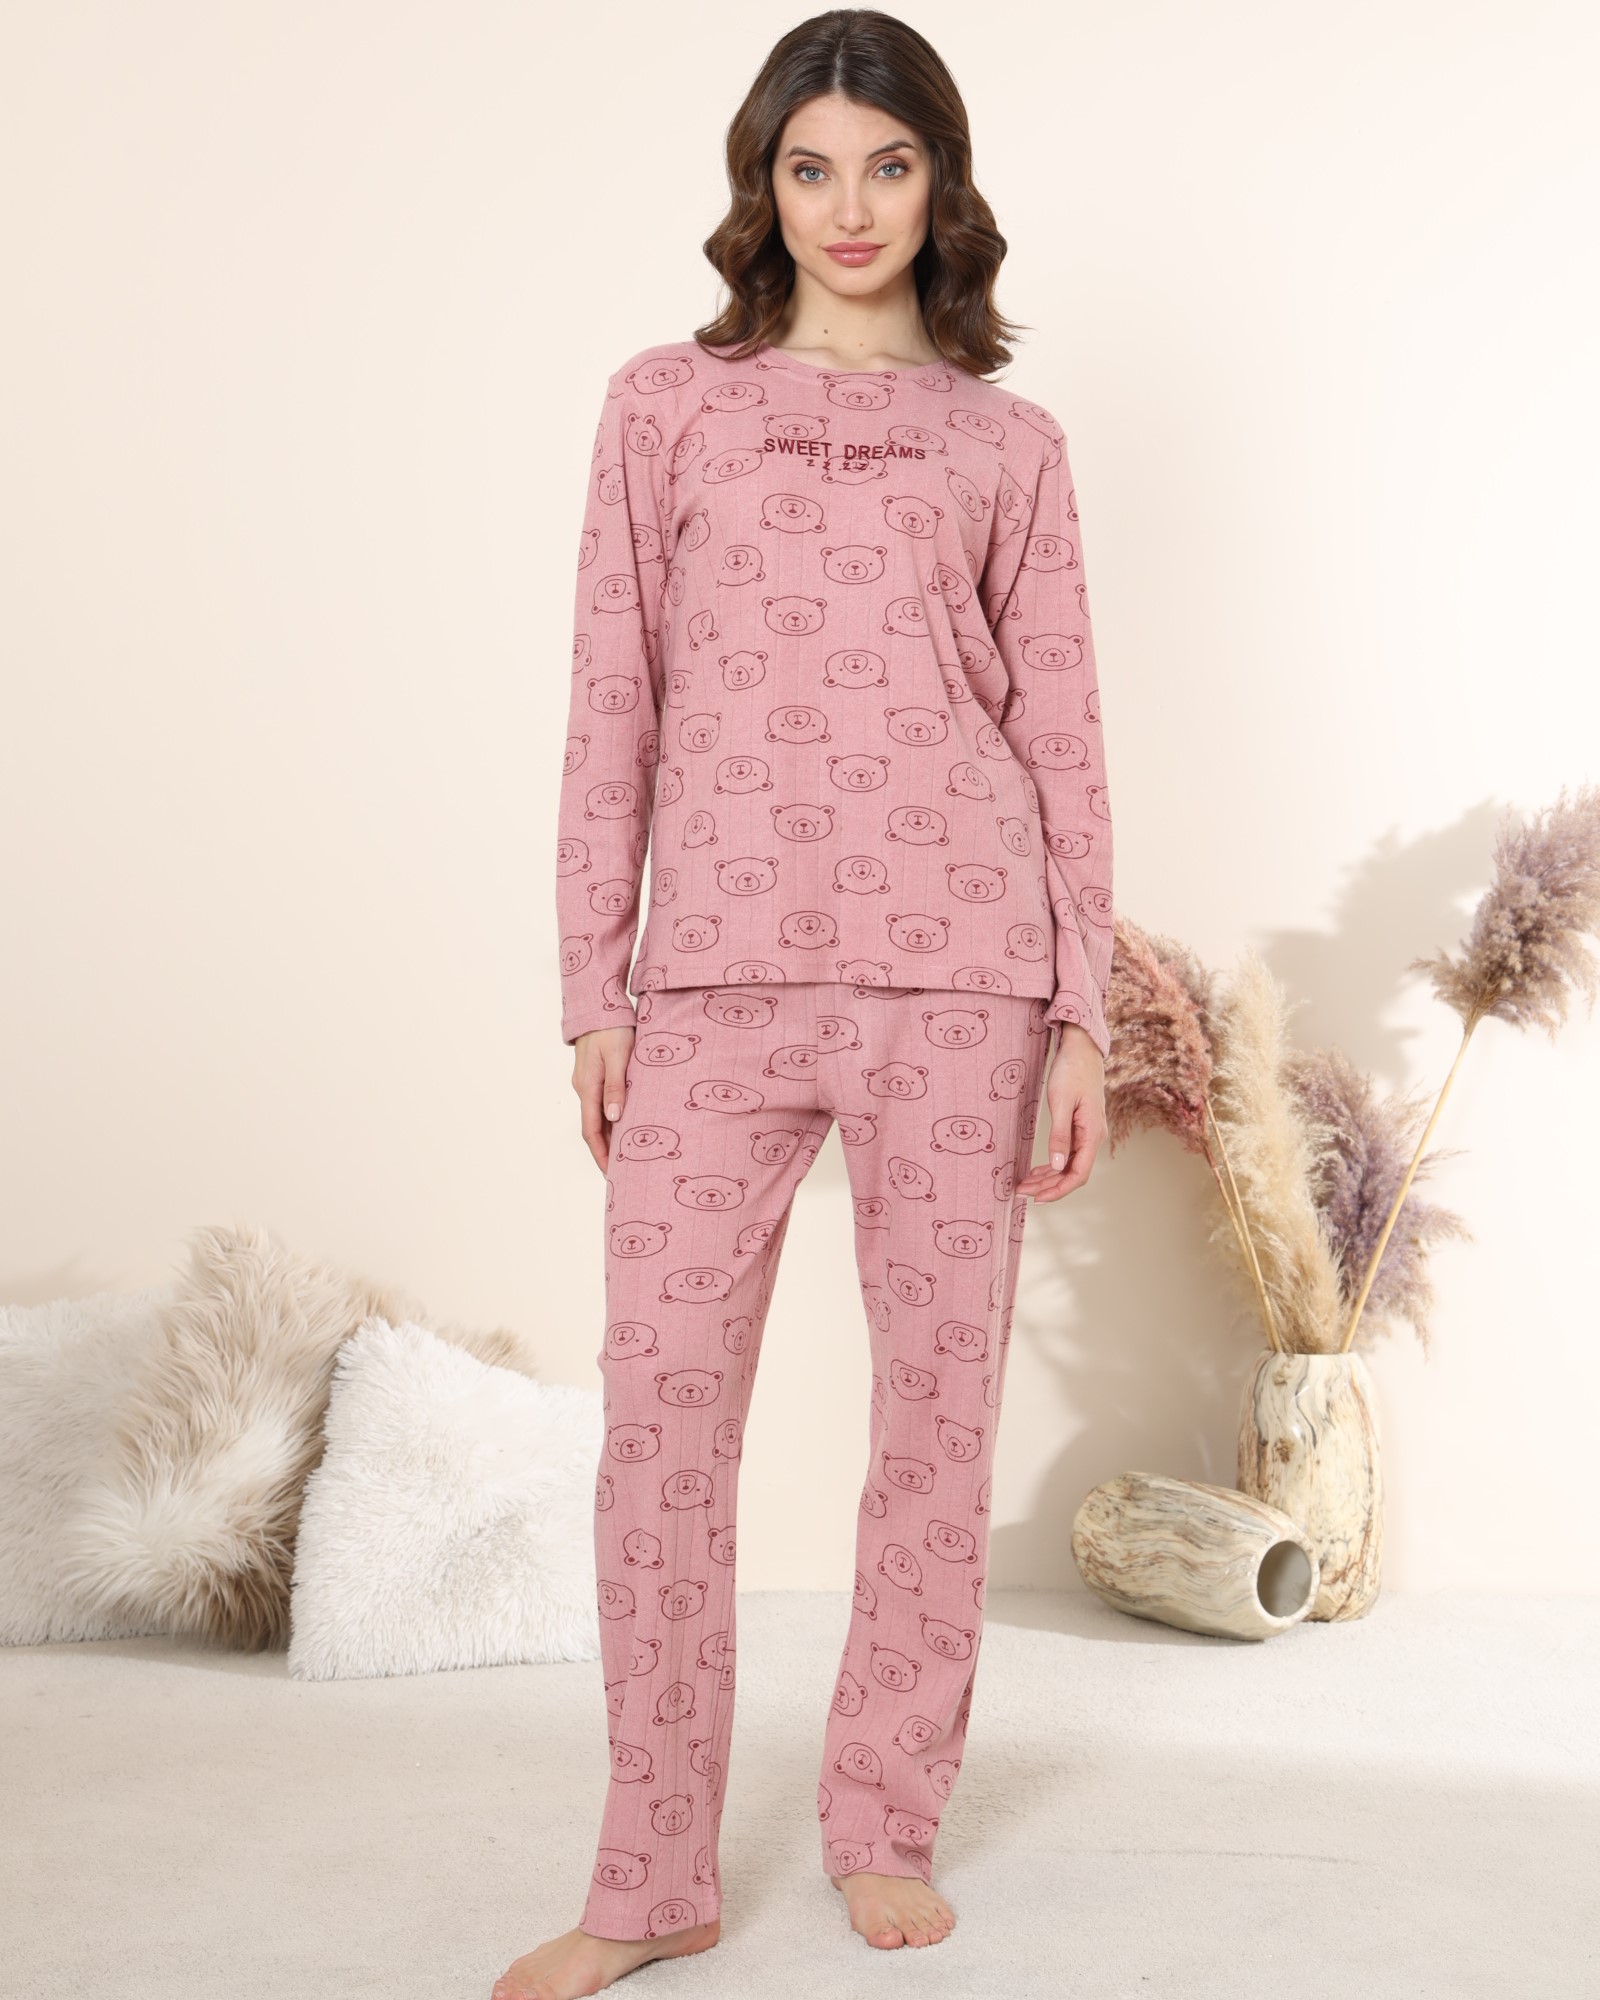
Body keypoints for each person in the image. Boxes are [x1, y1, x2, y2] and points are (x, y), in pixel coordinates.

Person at [495, 9, 1113, 1995]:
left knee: (934, 1427)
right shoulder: (663, 406)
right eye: (811, 167)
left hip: (964, 972)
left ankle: (882, 1823)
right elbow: (611, 696)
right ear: (763, 187)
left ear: (942, 184)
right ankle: (650, 1872)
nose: (850, 207)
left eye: (888, 165)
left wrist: (1083, 1010)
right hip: (714, 976)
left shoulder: (1010, 446)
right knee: (660, 1428)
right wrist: (592, 982)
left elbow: (1064, 738)